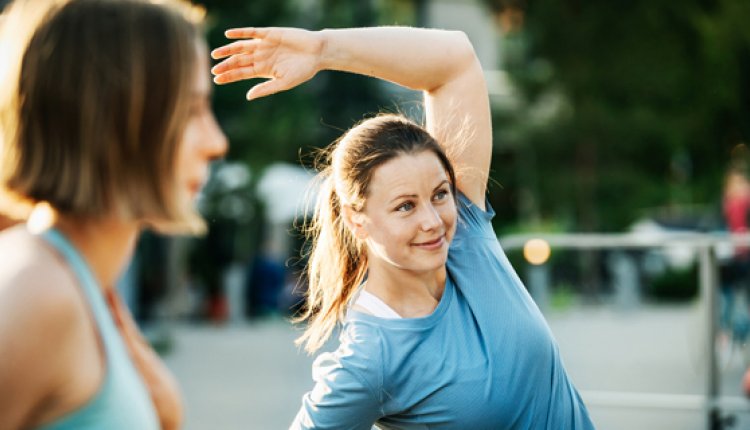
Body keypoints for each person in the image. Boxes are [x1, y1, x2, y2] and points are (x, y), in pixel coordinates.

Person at [212, 26, 594, 429]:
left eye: (440, 194)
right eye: (405, 206)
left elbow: (455, 59)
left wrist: (324, 49)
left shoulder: (465, 235)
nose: (432, 221)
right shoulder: (369, 359)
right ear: (357, 219)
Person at [0, 0, 227, 429]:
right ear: (117, 119)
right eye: (191, 110)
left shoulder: (79, 286)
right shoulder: (40, 293)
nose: (216, 143)